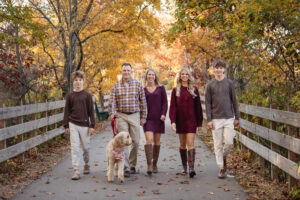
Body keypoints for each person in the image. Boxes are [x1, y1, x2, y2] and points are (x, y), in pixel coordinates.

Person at [108, 63, 147, 177]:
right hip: (121, 116)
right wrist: (111, 113)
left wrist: (143, 116)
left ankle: (132, 165)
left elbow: (143, 102)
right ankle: (124, 167)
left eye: (128, 70)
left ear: (131, 71)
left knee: (136, 141)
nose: (126, 72)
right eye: (124, 70)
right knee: (122, 142)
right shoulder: (116, 86)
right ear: (121, 72)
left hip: (134, 115)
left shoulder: (138, 84)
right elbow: (111, 101)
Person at [205, 60, 240, 179]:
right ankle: (221, 168)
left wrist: (237, 117)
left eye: (221, 68)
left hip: (229, 117)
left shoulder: (229, 83)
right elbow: (208, 103)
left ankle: (224, 156)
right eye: (217, 68)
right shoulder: (210, 85)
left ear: (224, 69)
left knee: (229, 142)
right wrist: (209, 120)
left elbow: (234, 101)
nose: (219, 70)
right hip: (215, 119)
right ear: (213, 70)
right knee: (217, 145)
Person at [169, 67, 203, 178]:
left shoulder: (194, 89)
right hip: (180, 121)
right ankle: (184, 167)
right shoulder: (175, 90)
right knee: (182, 145)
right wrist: (173, 121)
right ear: (179, 76)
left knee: (190, 144)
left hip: (191, 121)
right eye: (182, 74)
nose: (184, 76)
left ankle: (191, 168)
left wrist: (199, 122)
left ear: (189, 76)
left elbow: (198, 107)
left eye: (186, 74)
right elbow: (173, 108)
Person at [63, 71, 95, 180]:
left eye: (80, 80)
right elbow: (66, 111)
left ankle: (86, 163)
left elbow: (91, 111)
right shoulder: (70, 95)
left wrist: (92, 126)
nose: (78, 82)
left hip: (85, 124)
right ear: (73, 82)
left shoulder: (87, 95)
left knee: (86, 148)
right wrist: (66, 125)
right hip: (73, 124)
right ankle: (76, 170)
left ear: (83, 81)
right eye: (76, 80)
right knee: (75, 148)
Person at [143, 68, 168, 175]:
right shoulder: (143, 89)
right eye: (149, 75)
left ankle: (155, 164)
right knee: (149, 140)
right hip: (148, 119)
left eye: (153, 75)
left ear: (155, 76)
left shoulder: (161, 88)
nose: (151, 76)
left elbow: (165, 103)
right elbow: (141, 104)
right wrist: (142, 117)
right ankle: (149, 164)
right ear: (146, 76)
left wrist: (163, 114)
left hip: (159, 119)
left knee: (157, 141)